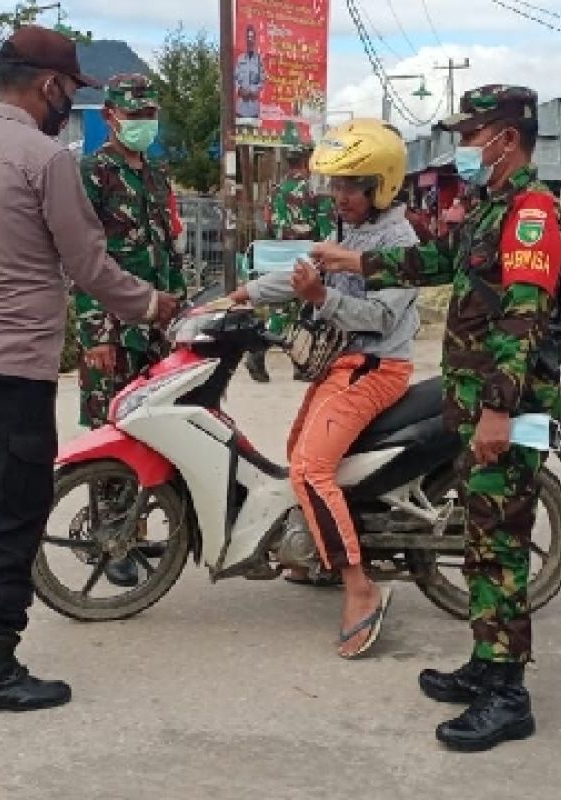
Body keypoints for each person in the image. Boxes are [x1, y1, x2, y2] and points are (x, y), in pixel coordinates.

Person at [0, 25, 180, 715]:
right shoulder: (47, 159)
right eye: (72, 91)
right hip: (16, 364)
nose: (72, 104)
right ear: (50, 85)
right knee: (13, 508)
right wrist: (154, 305)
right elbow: (88, 265)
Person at [312, 86, 561, 750]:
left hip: (504, 414)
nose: (464, 145)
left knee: (501, 552)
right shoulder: (492, 208)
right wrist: (358, 260)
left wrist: (495, 414)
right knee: (482, 550)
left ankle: (509, 697)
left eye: (473, 132)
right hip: (476, 406)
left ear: (505, 139)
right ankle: (487, 665)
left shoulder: (533, 214)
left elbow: (522, 320)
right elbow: (438, 261)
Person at [228, 119, 419, 658]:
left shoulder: (398, 240)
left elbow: (381, 317)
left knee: (310, 468)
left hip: (377, 365)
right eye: (334, 184)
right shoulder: (349, 231)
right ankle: (320, 555)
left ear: (381, 184)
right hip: (344, 362)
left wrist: (320, 300)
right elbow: (300, 272)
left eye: (350, 185)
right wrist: (238, 296)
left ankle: (360, 586)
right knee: (298, 457)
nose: (339, 195)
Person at [73, 73, 186, 588]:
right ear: (109, 116)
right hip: (113, 330)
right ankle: (108, 537)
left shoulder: (158, 175)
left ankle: (137, 530)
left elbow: (170, 250)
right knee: (111, 435)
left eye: (148, 114)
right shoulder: (92, 173)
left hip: (159, 331)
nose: (141, 122)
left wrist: (181, 317)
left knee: (155, 431)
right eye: (131, 113)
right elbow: (81, 260)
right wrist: (94, 333)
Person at [245, 146, 335, 383]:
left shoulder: (275, 191)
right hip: (307, 257)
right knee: (308, 313)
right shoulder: (315, 191)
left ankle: (288, 359)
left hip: (278, 254)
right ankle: (297, 363)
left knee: (283, 308)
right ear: (308, 160)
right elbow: (328, 231)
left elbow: (267, 223)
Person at [235, 24, 264, 121]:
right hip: (240, 107)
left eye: (252, 37)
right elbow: (234, 79)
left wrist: (253, 91)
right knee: (239, 134)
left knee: (253, 135)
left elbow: (262, 80)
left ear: (255, 39)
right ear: (245, 39)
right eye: (248, 37)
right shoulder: (240, 59)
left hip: (253, 108)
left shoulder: (259, 60)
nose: (250, 39)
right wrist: (239, 90)